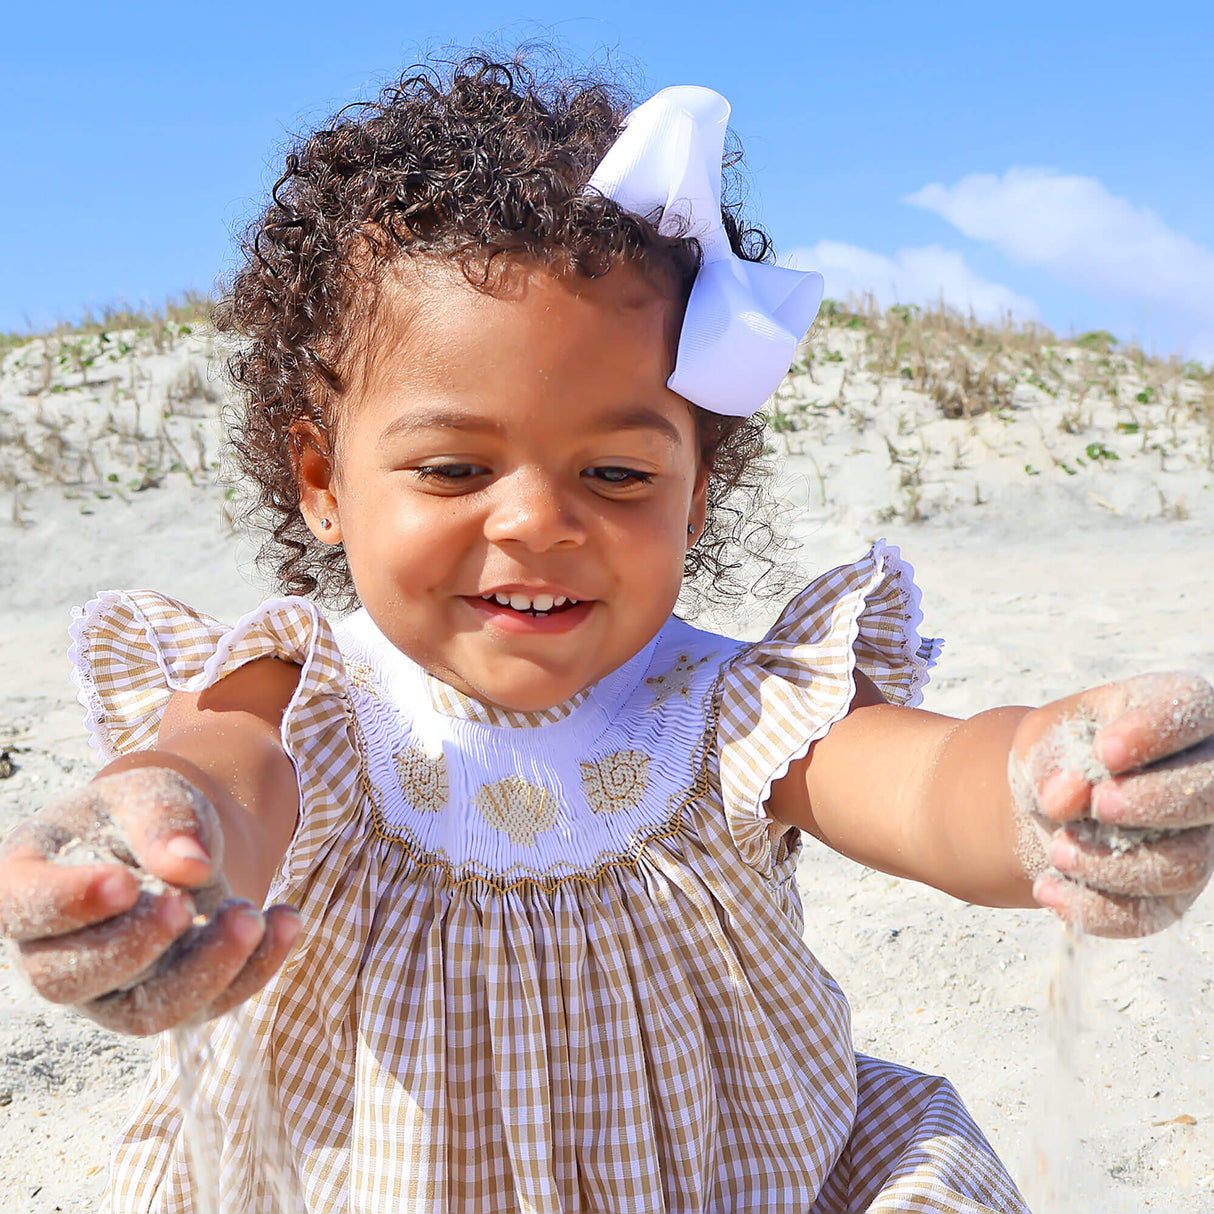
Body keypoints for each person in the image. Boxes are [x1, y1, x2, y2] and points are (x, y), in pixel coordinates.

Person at [2, 54, 1212, 1214]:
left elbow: (916, 781)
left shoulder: (727, 707)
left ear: (694, 490)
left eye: (618, 472)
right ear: (323, 479)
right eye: (454, 465)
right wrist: (152, 844)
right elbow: (218, 779)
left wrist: (1038, 782)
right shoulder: (294, 690)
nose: (535, 519)